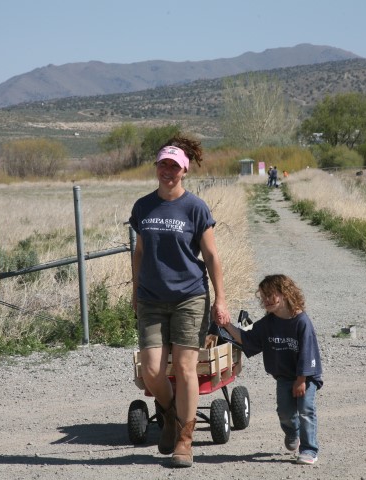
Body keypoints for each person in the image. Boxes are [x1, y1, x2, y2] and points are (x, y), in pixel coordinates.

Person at [129, 135, 230, 468]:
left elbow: (212, 256)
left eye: (174, 166)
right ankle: (172, 416)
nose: (168, 171)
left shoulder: (195, 207)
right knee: (152, 371)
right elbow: (140, 252)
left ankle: (185, 441)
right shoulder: (143, 206)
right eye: (163, 165)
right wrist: (135, 291)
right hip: (151, 299)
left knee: (186, 368)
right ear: (156, 168)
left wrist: (221, 299)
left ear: (184, 171)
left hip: (190, 297)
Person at [222, 274, 323, 465]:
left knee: (306, 411)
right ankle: (292, 432)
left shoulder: (301, 322)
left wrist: (301, 380)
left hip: (305, 377)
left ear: (285, 294)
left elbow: (308, 353)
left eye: (271, 295)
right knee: (284, 412)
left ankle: (309, 449)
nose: (266, 300)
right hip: (283, 377)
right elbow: (247, 339)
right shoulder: (268, 323)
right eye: (263, 296)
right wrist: (226, 325)